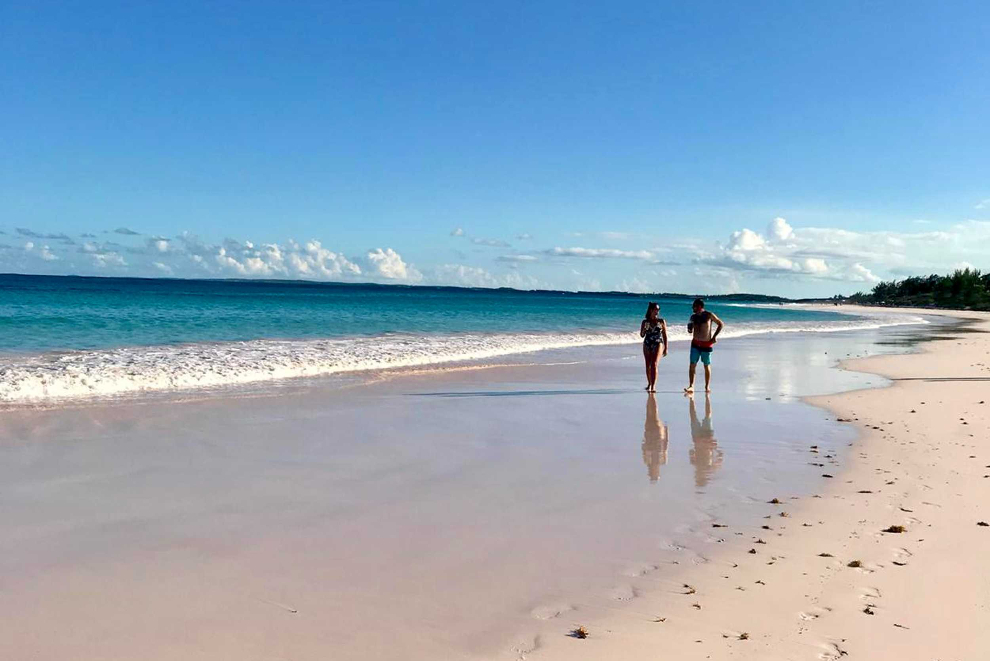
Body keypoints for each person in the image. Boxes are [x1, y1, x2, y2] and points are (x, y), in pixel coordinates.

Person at [684, 298, 724, 394]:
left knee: (706, 365)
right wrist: (689, 328)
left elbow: (721, 324)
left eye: (694, 306)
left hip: (706, 344)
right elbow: (690, 329)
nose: (692, 308)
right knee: (692, 364)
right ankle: (691, 386)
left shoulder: (709, 315)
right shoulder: (693, 317)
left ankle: (707, 386)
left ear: (699, 306)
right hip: (695, 343)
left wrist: (714, 337)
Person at [639, 302, 668, 392]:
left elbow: (665, 335)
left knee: (654, 364)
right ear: (651, 310)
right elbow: (642, 335)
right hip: (647, 342)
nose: (657, 312)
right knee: (648, 365)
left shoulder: (661, 321)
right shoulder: (645, 322)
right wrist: (644, 329)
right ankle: (649, 383)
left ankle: (653, 386)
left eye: (658, 310)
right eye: (656, 309)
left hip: (658, 342)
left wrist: (666, 347)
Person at [641, 392, 669, 482]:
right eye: (655, 473)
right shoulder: (662, 461)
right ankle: (652, 397)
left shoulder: (648, 461)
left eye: (653, 473)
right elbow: (665, 447)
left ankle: (652, 397)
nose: (654, 471)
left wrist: (666, 432)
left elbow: (643, 447)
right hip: (654, 437)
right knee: (650, 415)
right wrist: (666, 433)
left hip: (654, 436)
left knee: (652, 415)